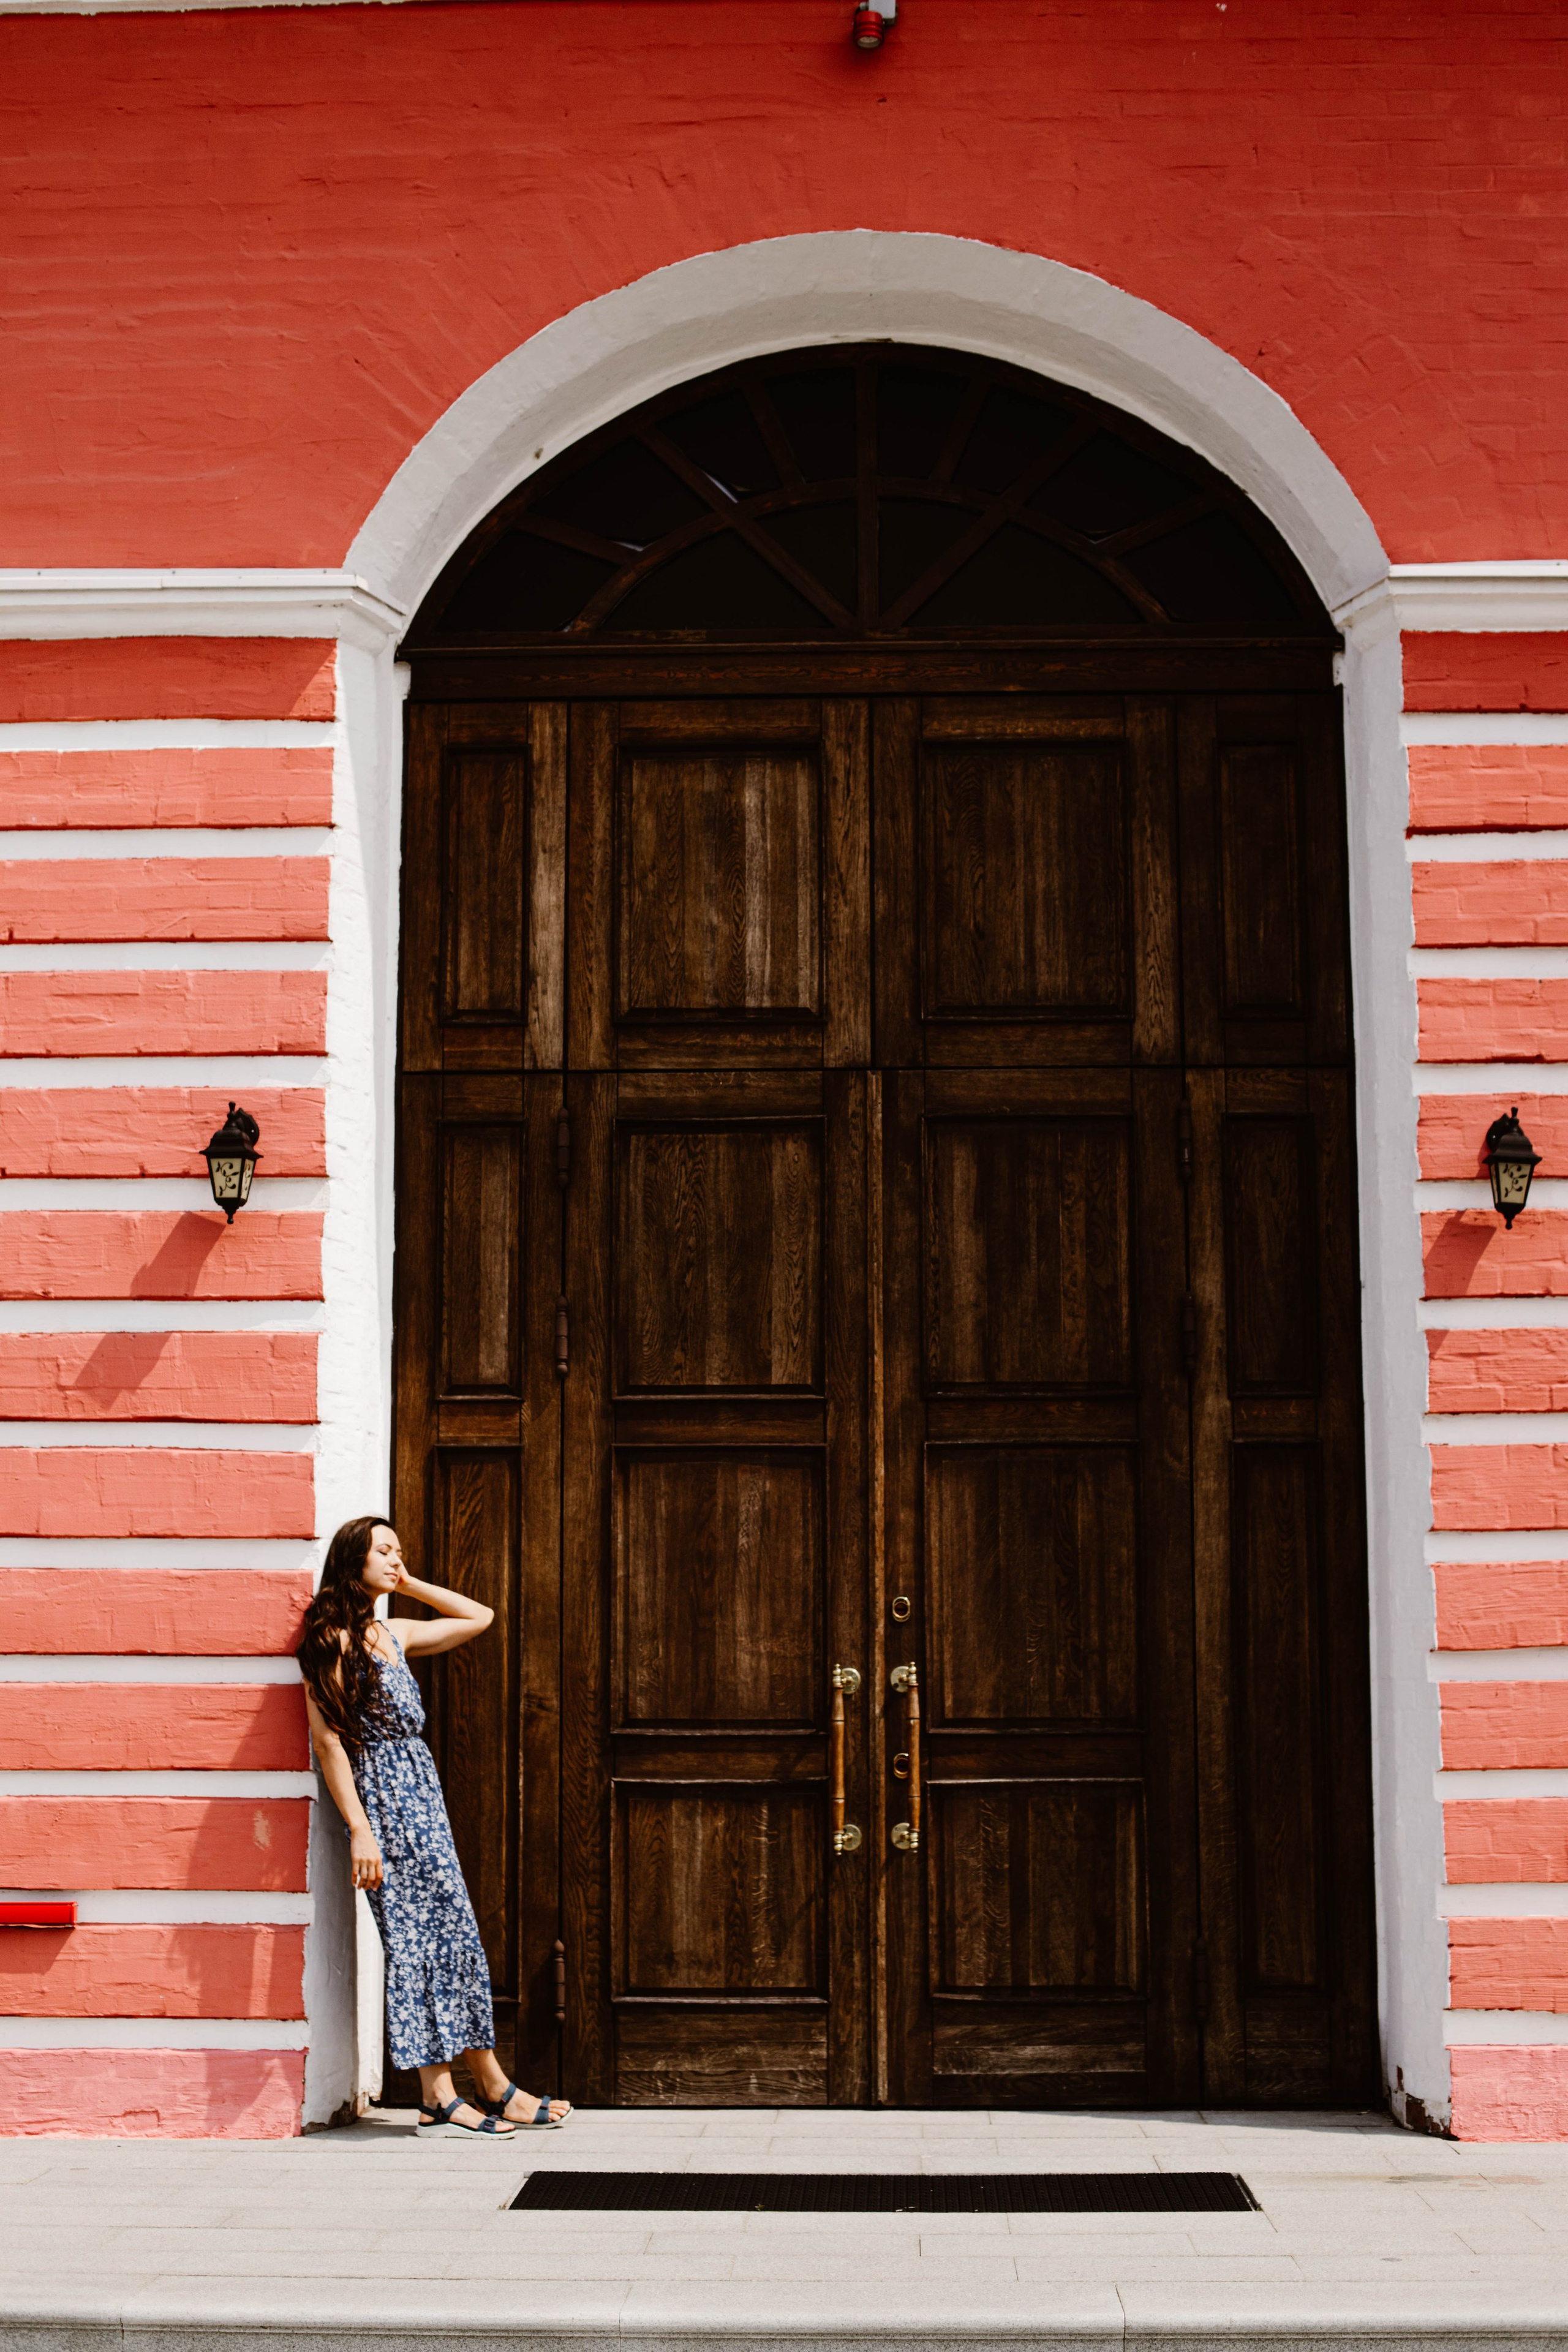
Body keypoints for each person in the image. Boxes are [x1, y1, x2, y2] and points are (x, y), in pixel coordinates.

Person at [298, 1515, 572, 2136]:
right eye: (384, 1551)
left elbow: (480, 1617)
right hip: (383, 1799)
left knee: (453, 1935)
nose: (396, 1558)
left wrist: (409, 1582)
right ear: (353, 1560)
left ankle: (486, 2085)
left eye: (400, 1550)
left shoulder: (391, 1634)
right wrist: (361, 1830)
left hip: (422, 1795)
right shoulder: (331, 1641)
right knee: (416, 1941)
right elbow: (329, 1744)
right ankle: (443, 2093)